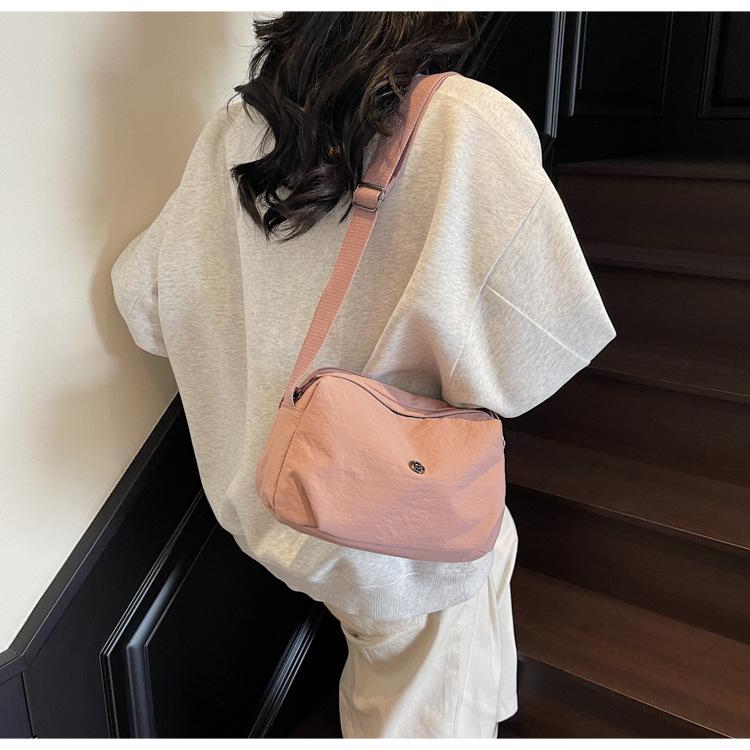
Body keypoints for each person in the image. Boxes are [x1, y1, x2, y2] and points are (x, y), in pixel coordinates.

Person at [110, 11, 616, 739]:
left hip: (278, 500)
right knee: (417, 694)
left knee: (417, 648)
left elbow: (146, 305)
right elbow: (531, 359)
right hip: (401, 528)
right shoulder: (465, 123)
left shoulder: (239, 128)